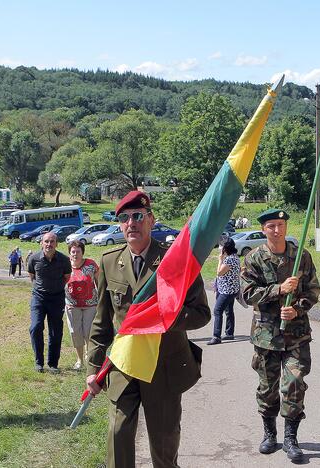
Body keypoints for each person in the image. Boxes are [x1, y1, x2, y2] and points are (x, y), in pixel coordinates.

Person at [86, 190, 210, 468]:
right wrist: (93, 369)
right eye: (125, 218)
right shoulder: (108, 262)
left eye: (138, 216)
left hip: (163, 368)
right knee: (118, 437)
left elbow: (202, 314)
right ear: (120, 225)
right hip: (124, 366)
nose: (132, 223)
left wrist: (166, 317)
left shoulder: (174, 261)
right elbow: (101, 322)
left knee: (163, 447)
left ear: (151, 220)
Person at [241, 208, 320, 462]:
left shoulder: (301, 257)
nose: (277, 230)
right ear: (263, 229)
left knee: (295, 383)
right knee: (268, 387)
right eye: (272, 226)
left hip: (296, 335)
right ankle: (269, 433)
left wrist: (297, 309)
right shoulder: (254, 259)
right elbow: (247, 294)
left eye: (281, 225)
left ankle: (290, 438)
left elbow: (313, 290)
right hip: (266, 336)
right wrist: (278, 289)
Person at [27, 232, 71, 373]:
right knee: (35, 327)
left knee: (55, 331)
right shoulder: (33, 259)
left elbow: (67, 277)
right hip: (38, 298)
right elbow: (32, 276)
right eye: (46, 241)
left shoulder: (64, 260)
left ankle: (53, 364)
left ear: (57, 244)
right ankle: (38, 362)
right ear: (41, 243)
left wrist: (55, 288)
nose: (49, 244)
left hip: (57, 298)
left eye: (52, 241)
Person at [64, 240, 99, 370]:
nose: (75, 254)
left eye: (78, 251)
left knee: (89, 332)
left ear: (82, 252)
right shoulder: (65, 265)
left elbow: (99, 283)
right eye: (73, 251)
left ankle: (89, 357)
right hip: (72, 305)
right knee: (75, 332)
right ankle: (79, 360)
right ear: (69, 253)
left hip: (90, 304)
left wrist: (102, 300)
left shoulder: (91, 264)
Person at [208, 237, 240, 345]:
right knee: (229, 310)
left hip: (227, 291)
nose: (219, 247)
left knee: (217, 311)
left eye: (221, 246)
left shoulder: (228, 259)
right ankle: (229, 333)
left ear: (225, 248)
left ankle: (216, 336)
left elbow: (219, 273)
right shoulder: (235, 257)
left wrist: (220, 259)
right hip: (231, 289)